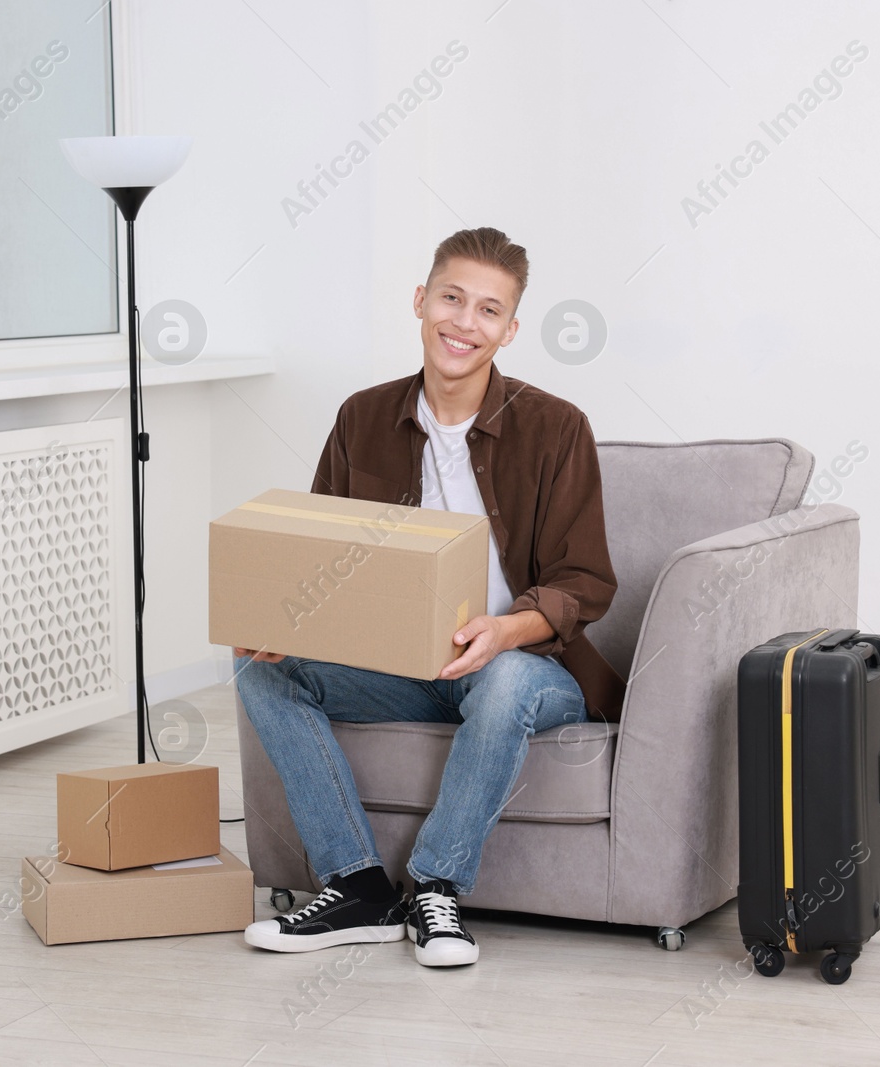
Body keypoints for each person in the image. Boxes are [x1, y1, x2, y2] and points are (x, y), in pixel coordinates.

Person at [234, 226, 624, 967]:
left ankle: (436, 884)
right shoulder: (361, 418)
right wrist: (295, 625)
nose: (463, 323)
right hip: (407, 669)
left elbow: (586, 581)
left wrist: (506, 631)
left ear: (508, 330)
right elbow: (327, 554)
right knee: (262, 669)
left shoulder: (557, 427)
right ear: (420, 301)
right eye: (451, 298)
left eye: (487, 310)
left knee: (505, 679)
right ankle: (356, 885)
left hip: (528, 670)